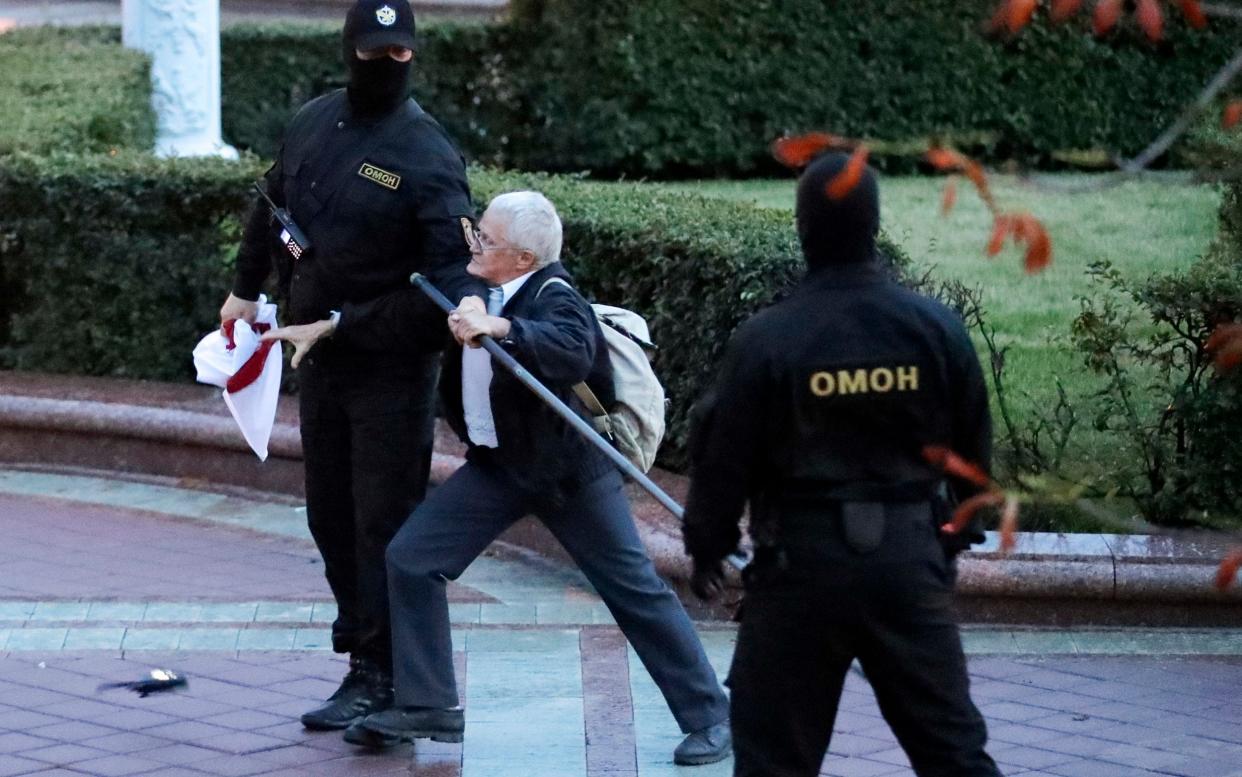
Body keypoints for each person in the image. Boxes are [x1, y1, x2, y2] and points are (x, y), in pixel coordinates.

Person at [345, 191, 733, 765]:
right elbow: (435, 300)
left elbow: (573, 351)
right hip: (499, 468)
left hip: (567, 474)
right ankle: (429, 706)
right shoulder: (482, 282)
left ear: (524, 258)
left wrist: (499, 329)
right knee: (412, 557)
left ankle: (712, 715)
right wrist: (334, 324)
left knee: (633, 590)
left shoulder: (557, 297)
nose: (474, 243)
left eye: (488, 239)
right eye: (478, 231)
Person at [682, 153, 1003, 777]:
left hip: (800, 565)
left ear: (801, 227)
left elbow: (723, 457)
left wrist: (707, 546)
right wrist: (946, 548)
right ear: (875, 224)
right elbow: (972, 453)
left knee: (775, 759)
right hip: (908, 560)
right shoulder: (934, 328)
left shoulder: (769, 337)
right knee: (953, 752)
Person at [218, 0, 481, 732]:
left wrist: (344, 323)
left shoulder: (428, 154)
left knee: (383, 524)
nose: (386, 65)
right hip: (319, 364)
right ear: (348, 49)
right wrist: (245, 288)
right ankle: (360, 653)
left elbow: (447, 291)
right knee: (329, 514)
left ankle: (387, 674)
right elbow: (269, 204)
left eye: (400, 54)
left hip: (391, 372)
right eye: (373, 51)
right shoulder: (313, 122)